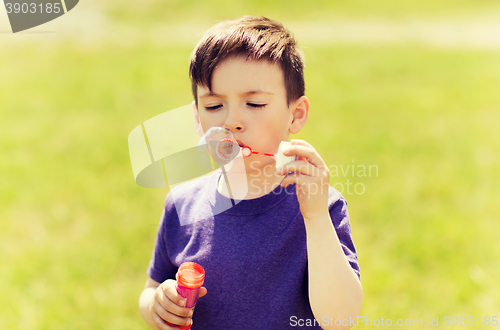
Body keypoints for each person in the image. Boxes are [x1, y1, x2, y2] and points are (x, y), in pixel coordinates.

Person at [138, 16, 362, 330]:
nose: (232, 121)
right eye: (214, 106)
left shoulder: (319, 206)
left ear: (295, 115)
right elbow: (152, 286)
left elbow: (340, 318)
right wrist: (156, 304)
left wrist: (315, 218)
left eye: (254, 104)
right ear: (197, 118)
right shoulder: (182, 204)